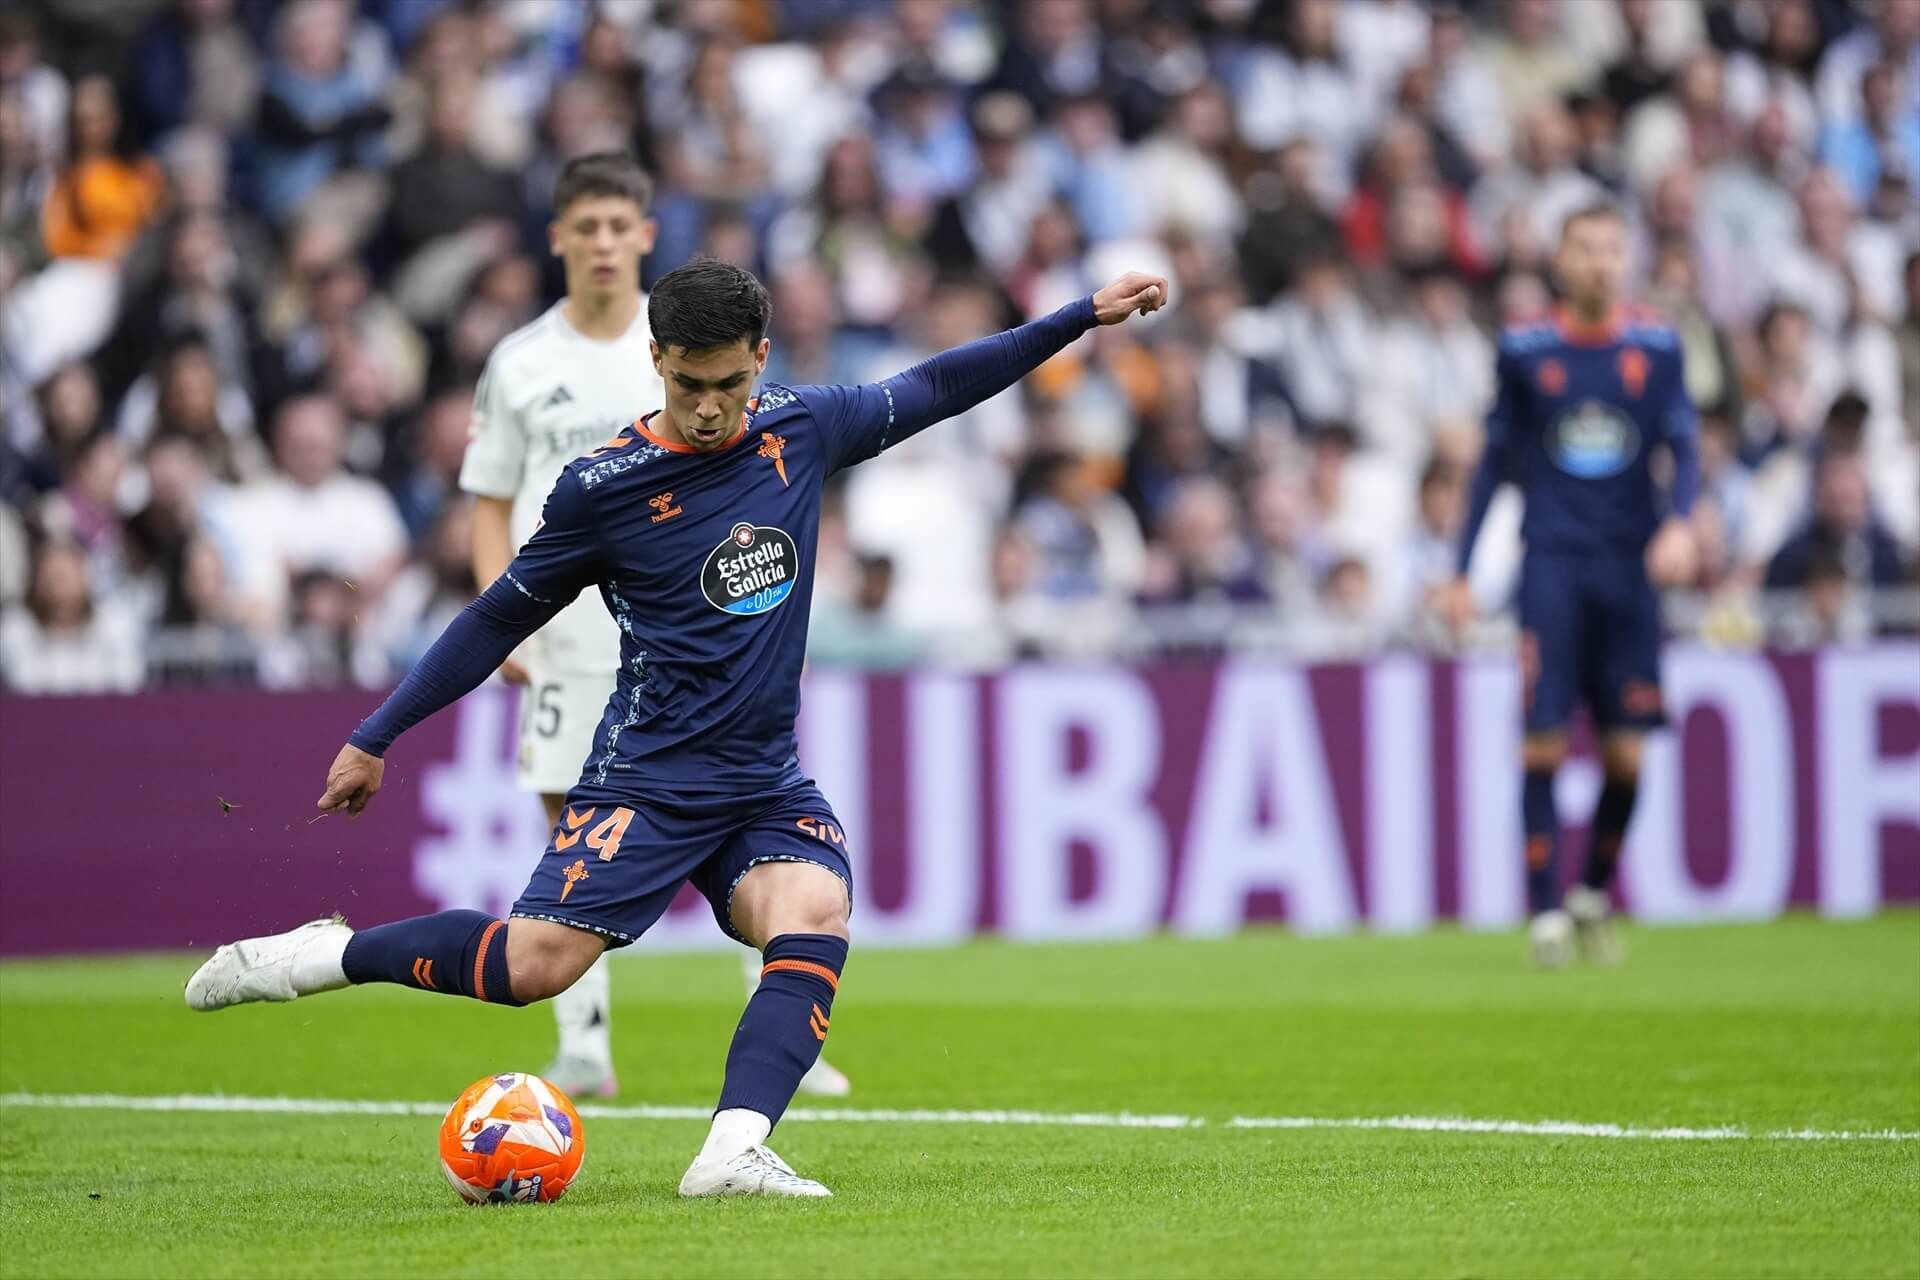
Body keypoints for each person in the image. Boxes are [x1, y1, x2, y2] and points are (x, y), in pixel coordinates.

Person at [186, 258, 1170, 1198]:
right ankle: (323, 954)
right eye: (692, 383)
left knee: (813, 912)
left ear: (763, 357)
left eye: (731, 382)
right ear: (657, 359)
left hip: (761, 778)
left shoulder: (803, 429)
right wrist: (376, 733)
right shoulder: (602, 488)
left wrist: (1079, 315)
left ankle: (733, 1151)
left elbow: (941, 382)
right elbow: (497, 615)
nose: (711, 406)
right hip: (646, 778)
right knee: (533, 970)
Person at [459, 151, 852, 1102]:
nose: (601, 243)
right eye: (583, 226)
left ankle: (777, 1011)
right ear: (557, 237)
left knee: (742, 825)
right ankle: (584, 1039)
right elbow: (490, 499)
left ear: (644, 234)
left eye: (616, 226)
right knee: (570, 826)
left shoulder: (690, 328)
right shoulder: (521, 363)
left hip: (690, 635)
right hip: (562, 633)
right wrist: (502, 619)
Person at [1439, 203, 1699, 970]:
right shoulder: (1524, 349)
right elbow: (1492, 464)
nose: (1598, 262)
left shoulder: (1657, 347)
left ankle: (1591, 891)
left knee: (1627, 760)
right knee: (1544, 739)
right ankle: (1547, 912)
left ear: (1627, 260)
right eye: (1584, 248)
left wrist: (1682, 522)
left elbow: (1682, 445)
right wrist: (1460, 570)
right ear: (1560, 260)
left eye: (1610, 249)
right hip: (1551, 564)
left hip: (1629, 568)